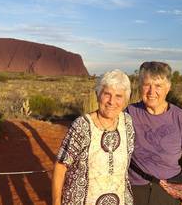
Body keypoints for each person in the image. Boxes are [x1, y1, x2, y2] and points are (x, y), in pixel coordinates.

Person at [52, 69, 135, 205]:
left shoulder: (127, 123)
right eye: (107, 94)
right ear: (98, 95)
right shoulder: (82, 126)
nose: (111, 101)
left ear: (126, 100)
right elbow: (61, 165)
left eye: (118, 96)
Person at [127, 62, 182, 205]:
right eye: (146, 85)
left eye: (158, 86)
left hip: (169, 193)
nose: (151, 91)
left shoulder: (181, 118)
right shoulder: (128, 113)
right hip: (135, 191)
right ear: (139, 86)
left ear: (168, 88)